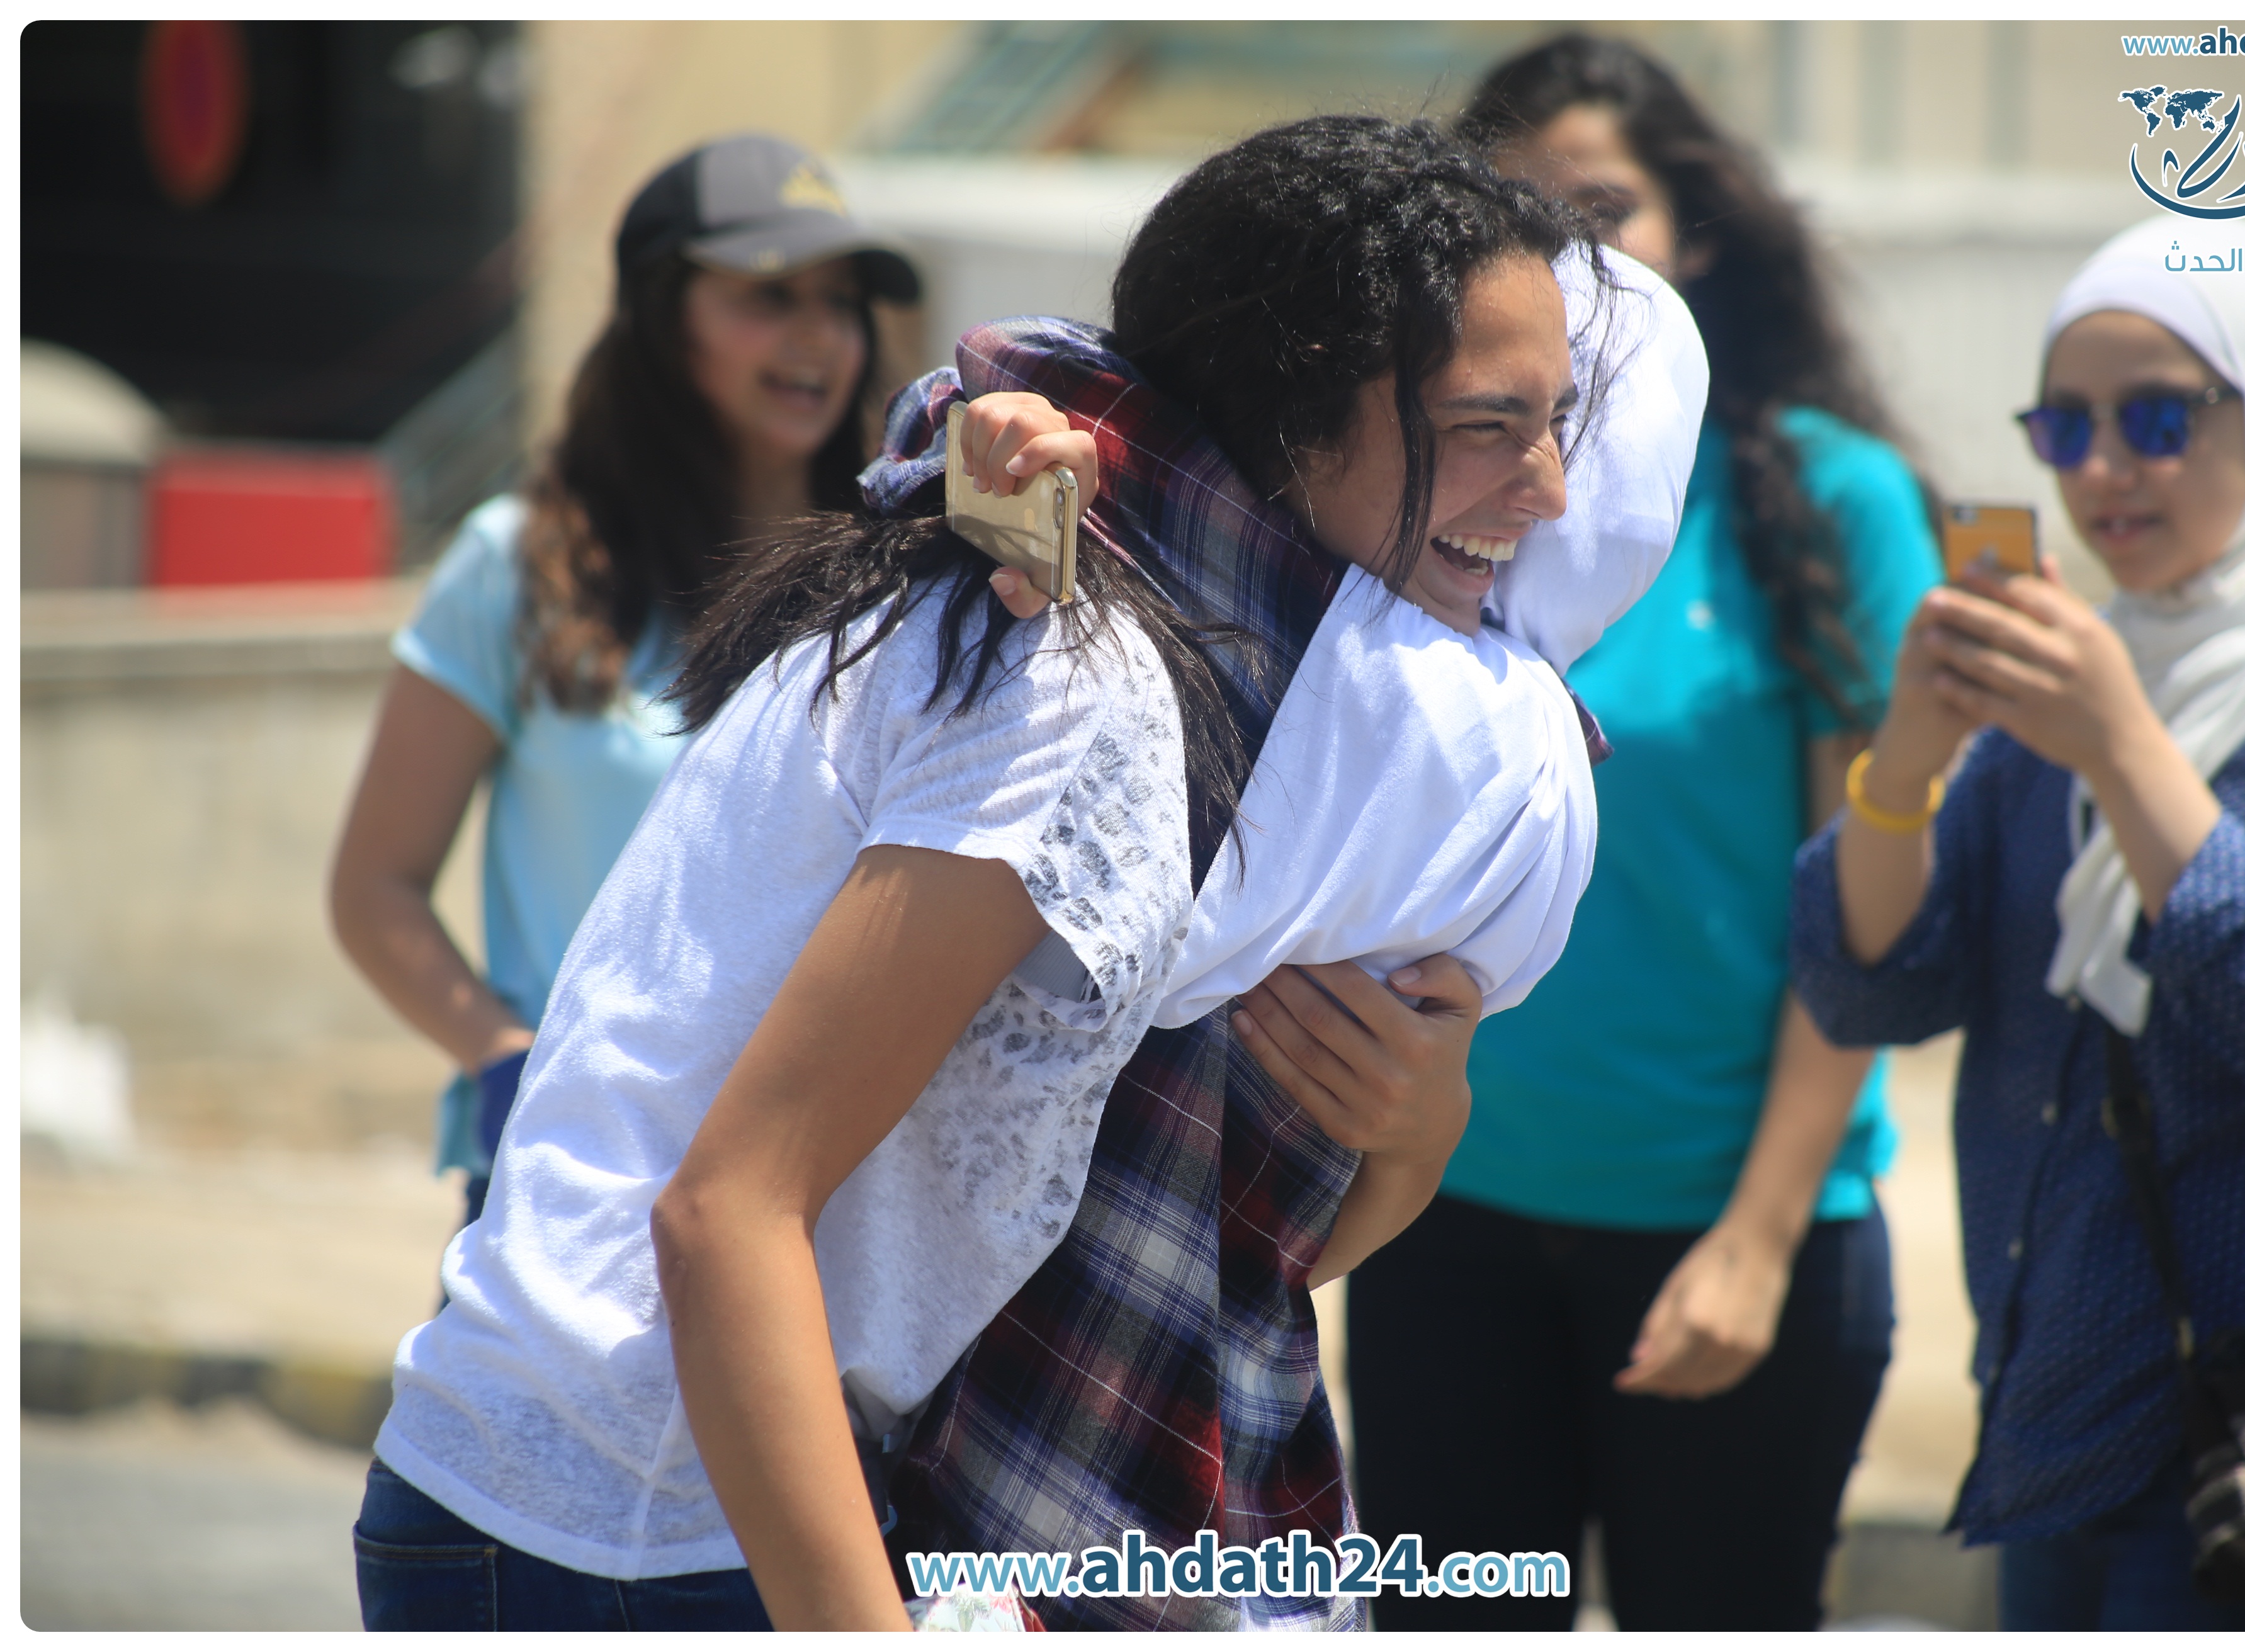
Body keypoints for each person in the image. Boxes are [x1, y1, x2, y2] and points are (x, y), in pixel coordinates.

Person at [356, 116, 1701, 1632]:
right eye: (1484, 424)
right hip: (628, 1520)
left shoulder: (1232, 719)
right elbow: (726, 1212)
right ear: (1293, 412)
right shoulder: (1073, 672)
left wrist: (1417, 1121)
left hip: (670, 1496)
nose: (1549, 492)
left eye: (1558, 424)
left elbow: (1240, 1247)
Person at [1338, 34, 1943, 1631]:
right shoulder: (1405, 489)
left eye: (1601, 211)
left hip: (1727, 1240)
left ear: (1700, 233)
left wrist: (1755, 1238)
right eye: (1517, 216)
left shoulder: (1832, 501)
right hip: (1437, 1221)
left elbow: (1865, 907)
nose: (1564, 257)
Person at [1790, 215, 2245, 1631]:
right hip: (2059, 1417)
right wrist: (1904, 760)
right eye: (2062, 426)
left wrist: (2124, 747)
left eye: (2155, 419)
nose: (2097, 471)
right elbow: (1869, 990)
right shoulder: (2077, 670)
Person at [329, 133, 919, 1228]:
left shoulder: (898, 583)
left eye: (841, 301)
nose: (819, 335)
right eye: (770, 294)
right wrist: (503, 1056)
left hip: (816, 1193)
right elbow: (374, 887)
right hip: (567, 1178)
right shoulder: (516, 567)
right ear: (659, 312)